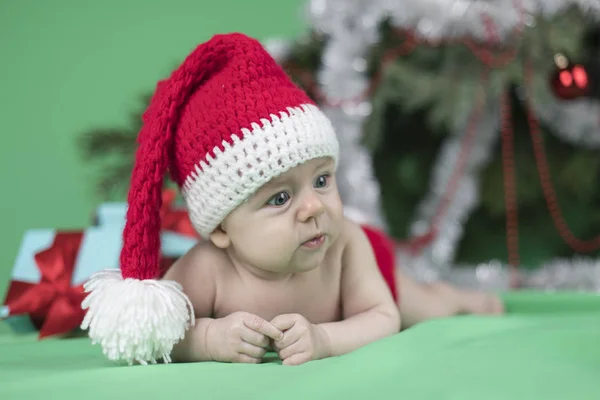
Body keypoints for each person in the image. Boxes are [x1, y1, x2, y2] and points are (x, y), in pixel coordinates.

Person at [80, 32, 504, 367]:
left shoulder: (346, 244)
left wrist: (324, 338)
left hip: (374, 275)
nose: (314, 207)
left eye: (322, 180)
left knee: (423, 308)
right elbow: (163, 334)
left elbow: (382, 318)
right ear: (223, 228)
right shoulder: (207, 268)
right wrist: (209, 338)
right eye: (280, 197)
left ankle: (461, 298)